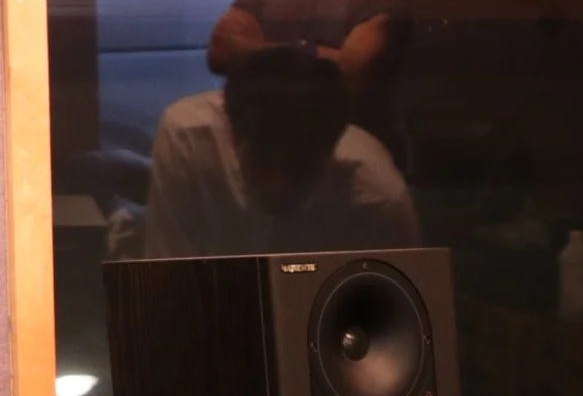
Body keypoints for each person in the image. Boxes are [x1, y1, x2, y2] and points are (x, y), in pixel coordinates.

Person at [143, 39, 417, 259]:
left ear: (333, 147)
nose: (279, 185)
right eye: (264, 162)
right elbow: (169, 271)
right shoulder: (190, 139)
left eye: (300, 169)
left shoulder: (379, 197)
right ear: (232, 135)